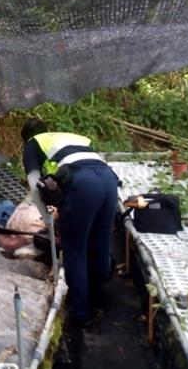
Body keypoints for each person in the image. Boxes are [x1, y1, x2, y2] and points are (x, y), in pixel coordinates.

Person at [20, 117, 119, 324]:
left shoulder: (32, 143)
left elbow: (34, 181)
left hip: (83, 184)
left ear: (26, 138)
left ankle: (81, 315)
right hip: (109, 180)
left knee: (75, 249)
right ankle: (97, 295)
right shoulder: (68, 138)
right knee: (101, 242)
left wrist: (46, 218)